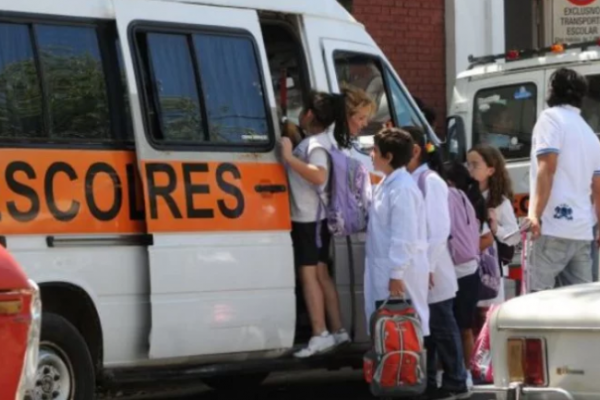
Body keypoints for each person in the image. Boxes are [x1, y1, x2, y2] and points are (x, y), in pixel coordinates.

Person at [280, 88, 375, 358]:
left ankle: (320, 333)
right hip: (317, 219)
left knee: (308, 274)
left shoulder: (316, 144)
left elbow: (319, 175)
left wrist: (288, 157)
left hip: (308, 219)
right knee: (322, 274)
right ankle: (338, 330)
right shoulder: (324, 141)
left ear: (309, 114)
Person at [403, 126, 469, 400]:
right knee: (427, 328)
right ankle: (430, 380)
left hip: (434, 268)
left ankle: (456, 379)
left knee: (441, 325)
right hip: (423, 268)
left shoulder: (430, 181)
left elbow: (440, 229)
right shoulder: (413, 179)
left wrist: (427, 267)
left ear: (415, 150)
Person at [525, 68, 600, 291]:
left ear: (552, 90)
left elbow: (547, 167)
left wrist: (534, 215)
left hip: (552, 227)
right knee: (580, 311)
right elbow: (597, 187)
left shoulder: (550, 119)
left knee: (536, 304)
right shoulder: (589, 133)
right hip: (581, 231)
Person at [365, 127, 429, 339]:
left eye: (374, 150)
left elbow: (404, 235)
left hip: (398, 272)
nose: (370, 154)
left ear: (388, 156)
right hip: (384, 267)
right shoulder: (387, 183)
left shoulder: (402, 188)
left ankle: (411, 372)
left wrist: (396, 274)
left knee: (403, 334)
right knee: (386, 331)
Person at [444, 161, 494, 385]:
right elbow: (485, 235)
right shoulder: (472, 202)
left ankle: (453, 372)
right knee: (463, 327)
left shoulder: (448, 200)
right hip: (469, 272)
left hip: (451, 272)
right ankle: (468, 371)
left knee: (447, 328)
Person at [466, 145, 519, 316]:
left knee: (488, 315)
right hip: (465, 264)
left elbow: (514, 237)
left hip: (490, 269)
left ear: (490, 170)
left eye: (475, 165)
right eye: (468, 165)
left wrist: (496, 228)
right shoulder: (462, 195)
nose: (470, 169)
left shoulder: (500, 202)